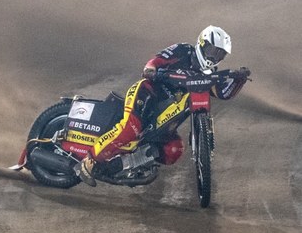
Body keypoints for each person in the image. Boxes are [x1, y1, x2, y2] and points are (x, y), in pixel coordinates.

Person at [78, 25, 251, 186]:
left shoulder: (209, 74)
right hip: (148, 93)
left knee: (173, 150)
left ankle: (120, 165)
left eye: (220, 55)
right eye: (213, 51)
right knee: (131, 129)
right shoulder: (182, 50)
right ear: (202, 43)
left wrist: (239, 80)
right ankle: (90, 160)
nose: (214, 58)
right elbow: (153, 63)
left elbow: (223, 93)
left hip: (166, 115)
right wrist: (153, 70)